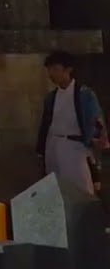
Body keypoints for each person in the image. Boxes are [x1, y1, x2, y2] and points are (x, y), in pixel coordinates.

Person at [36, 51, 105, 196]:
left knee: (80, 187)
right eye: (49, 70)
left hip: (74, 144)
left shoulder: (84, 94)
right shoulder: (51, 97)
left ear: (68, 69)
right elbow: (46, 124)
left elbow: (95, 119)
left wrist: (97, 137)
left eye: (55, 69)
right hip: (53, 143)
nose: (51, 74)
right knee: (55, 187)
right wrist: (41, 148)